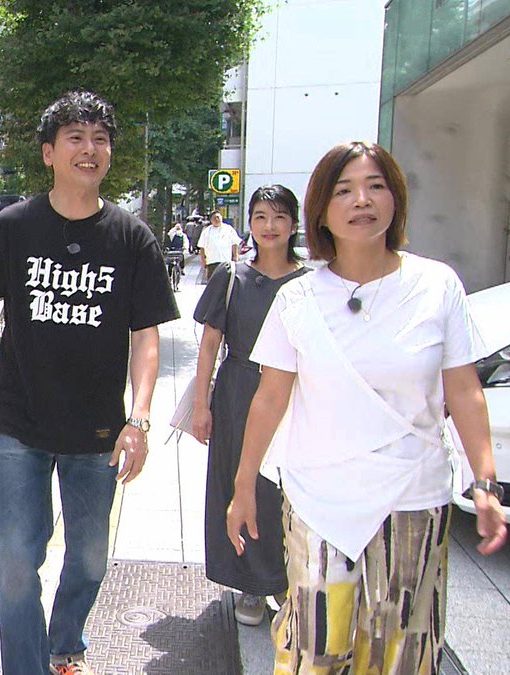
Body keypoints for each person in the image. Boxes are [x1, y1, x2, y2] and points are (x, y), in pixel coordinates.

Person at [226, 141, 507, 673]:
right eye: (345, 190)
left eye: (376, 186)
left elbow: (464, 389)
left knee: (400, 648)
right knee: (315, 647)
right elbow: (270, 397)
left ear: (395, 199)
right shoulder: (297, 298)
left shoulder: (437, 285)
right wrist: (243, 486)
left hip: (413, 495)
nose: (362, 200)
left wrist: (485, 482)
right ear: (321, 211)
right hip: (318, 498)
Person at [0, 91, 179, 675]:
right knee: (16, 560)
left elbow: (146, 335)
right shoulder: (14, 228)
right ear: (49, 152)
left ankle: (65, 640)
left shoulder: (131, 237)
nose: (89, 149)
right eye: (75, 138)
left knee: (90, 561)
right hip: (20, 425)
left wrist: (139, 417)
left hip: (97, 431)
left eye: (100, 139)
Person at [191, 185, 310, 627]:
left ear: (294, 224)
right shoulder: (231, 277)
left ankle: (286, 578)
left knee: (286, 488)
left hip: (296, 395)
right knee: (244, 483)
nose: (270, 226)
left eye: (279, 217)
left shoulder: (311, 284)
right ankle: (251, 585)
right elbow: (209, 346)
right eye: (260, 216)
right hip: (239, 391)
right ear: (250, 223)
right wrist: (201, 405)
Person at [197, 211, 241, 280]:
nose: (217, 219)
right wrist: (203, 260)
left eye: (218, 217)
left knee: (226, 282)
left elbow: (234, 243)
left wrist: (236, 256)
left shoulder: (229, 229)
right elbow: (202, 247)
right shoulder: (206, 231)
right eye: (214, 218)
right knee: (212, 283)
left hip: (226, 262)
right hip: (212, 262)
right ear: (211, 220)